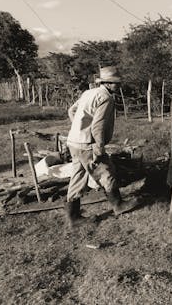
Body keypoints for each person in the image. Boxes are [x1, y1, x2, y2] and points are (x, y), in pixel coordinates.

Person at [65, 66, 138, 228]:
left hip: (74, 142)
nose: (118, 86)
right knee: (107, 172)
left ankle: (73, 217)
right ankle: (118, 205)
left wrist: (78, 128)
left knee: (77, 176)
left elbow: (72, 110)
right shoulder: (106, 98)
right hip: (87, 144)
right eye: (115, 83)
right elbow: (97, 127)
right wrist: (98, 148)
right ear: (107, 83)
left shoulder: (89, 92)